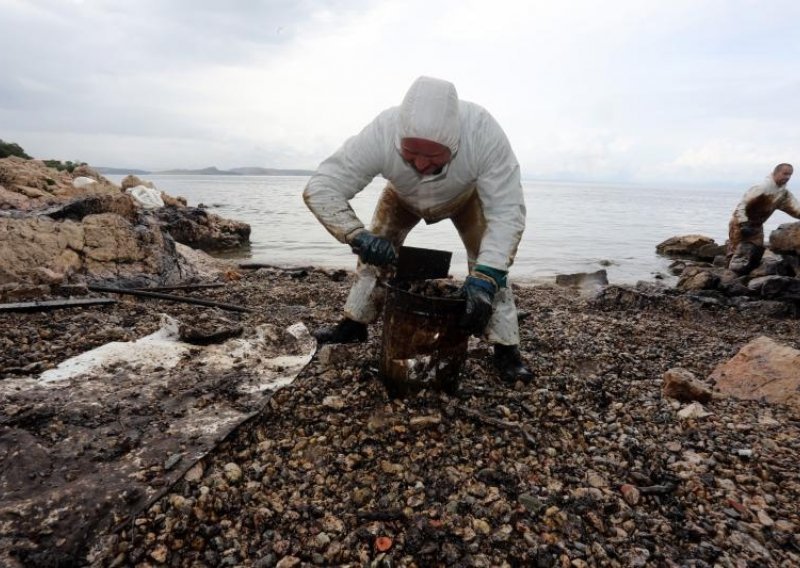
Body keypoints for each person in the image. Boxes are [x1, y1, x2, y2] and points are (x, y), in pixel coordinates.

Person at [303, 76, 532, 383]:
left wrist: (487, 276)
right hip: (402, 196)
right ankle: (354, 324)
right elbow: (322, 186)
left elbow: (507, 210)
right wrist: (357, 235)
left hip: (465, 197)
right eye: (412, 153)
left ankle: (506, 348)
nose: (422, 164)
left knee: (489, 267)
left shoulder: (482, 132)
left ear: (455, 142)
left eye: (433, 155)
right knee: (374, 258)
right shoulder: (383, 131)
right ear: (399, 138)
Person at [727, 163, 800, 274]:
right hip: (740, 224)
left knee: (756, 253)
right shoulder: (761, 188)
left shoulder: (783, 194)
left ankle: (746, 276)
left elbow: (795, 209)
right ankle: (728, 276)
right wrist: (743, 224)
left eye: (790, 175)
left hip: (757, 226)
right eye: (785, 174)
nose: (787, 177)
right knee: (738, 251)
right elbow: (742, 206)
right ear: (776, 173)